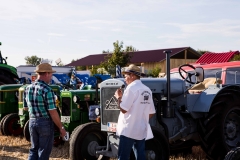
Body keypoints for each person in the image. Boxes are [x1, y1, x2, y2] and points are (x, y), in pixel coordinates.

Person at [23, 63, 67, 160]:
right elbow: (53, 112)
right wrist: (61, 127)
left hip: (32, 121)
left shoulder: (27, 88)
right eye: (51, 74)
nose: (51, 77)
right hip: (45, 123)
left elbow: (25, 108)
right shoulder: (47, 90)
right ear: (46, 73)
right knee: (43, 152)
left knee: (34, 150)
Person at [114, 64, 156, 160]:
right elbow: (152, 112)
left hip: (128, 130)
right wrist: (139, 119)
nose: (124, 79)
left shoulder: (131, 89)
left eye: (125, 76)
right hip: (141, 130)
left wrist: (119, 97)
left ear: (132, 75)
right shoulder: (147, 90)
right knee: (140, 156)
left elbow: (124, 109)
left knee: (122, 157)